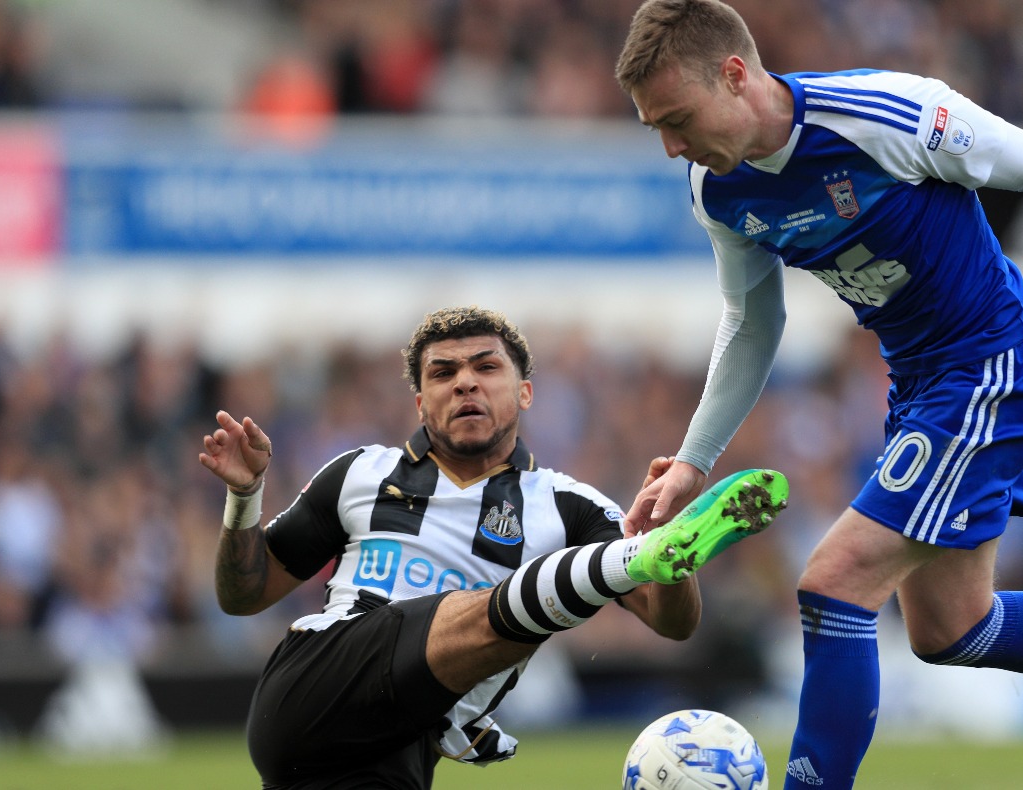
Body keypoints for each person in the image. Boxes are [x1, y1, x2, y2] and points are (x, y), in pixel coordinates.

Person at [613, 3, 1023, 789]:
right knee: (952, 628)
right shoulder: (716, 190)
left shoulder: (882, 115)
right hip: (923, 387)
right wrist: (691, 462)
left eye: (677, 118)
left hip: (998, 366)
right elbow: (752, 322)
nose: (673, 144)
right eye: (656, 128)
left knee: (834, 580)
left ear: (735, 75)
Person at [197, 305, 789, 789]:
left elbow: (674, 623)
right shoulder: (359, 473)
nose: (465, 382)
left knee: (495, 609)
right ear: (420, 403)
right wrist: (245, 497)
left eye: (486, 366)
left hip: (398, 748)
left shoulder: (568, 504)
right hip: (318, 683)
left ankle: (656, 551)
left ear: (525, 392)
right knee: (480, 609)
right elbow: (243, 593)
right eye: (443, 373)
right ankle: (634, 558)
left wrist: (670, 555)